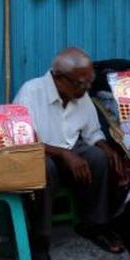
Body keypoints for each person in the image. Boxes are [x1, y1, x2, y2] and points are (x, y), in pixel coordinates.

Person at [14, 48, 125, 258]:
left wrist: (107, 148)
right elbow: (22, 141)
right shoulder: (31, 92)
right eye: (80, 83)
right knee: (43, 167)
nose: (86, 88)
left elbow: (92, 132)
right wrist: (63, 154)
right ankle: (40, 238)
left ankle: (95, 225)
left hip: (71, 152)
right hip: (40, 154)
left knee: (98, 158)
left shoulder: (80, 93)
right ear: (58, 78)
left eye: (89, 82)